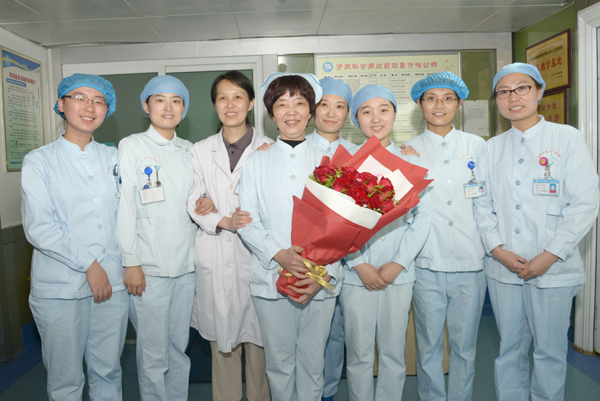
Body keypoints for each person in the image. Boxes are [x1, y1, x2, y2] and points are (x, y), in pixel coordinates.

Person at [473, 62, 599, 401]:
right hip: (504, 265)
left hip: (553, 266)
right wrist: (497, 249)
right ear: (496, 100)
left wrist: (551, 254)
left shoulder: (567, 138)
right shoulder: (490, 148)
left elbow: (586, 202)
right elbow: (481, 204)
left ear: (539, 92)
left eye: (522, 88)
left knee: (549, 351)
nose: (513, 97)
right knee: (509, 347)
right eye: (503, 92)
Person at [21, 73, 128, 401]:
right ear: (61, 104)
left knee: (108, 372)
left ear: (107, 110)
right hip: (61, 287)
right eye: (79, 98)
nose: (89, 107)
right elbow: (40, 227)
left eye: (99, 101)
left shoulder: (115, 159)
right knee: (65, 380)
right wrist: (90, 264)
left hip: (113, 282)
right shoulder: (40, 161)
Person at [238, 72, 343, 401]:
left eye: (299, 103)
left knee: (313, 363)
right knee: (279, 364)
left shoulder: (331, 162)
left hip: (319, 278)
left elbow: (345, 226)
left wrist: (323, 273)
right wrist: (279, 254)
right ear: (271, 114)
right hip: (271, 277)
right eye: (282, 104)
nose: (291, 111)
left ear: (311, 110)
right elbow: (247, 221)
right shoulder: (255, 162)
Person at [341, 85, 431, 401]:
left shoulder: (411, 161)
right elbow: (336, 223)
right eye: (366, 111)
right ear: (356, 119)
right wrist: (358, 264)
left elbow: (422, 219)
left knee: (394, 352)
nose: (376, 118)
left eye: (384, 110)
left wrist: (398, 264)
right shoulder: (346, 164)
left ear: (395, 114)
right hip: (356, 275)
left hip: (398, 274)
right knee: (359, 353)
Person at [186, 71, 271, 401]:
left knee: (260, 344)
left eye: (238, 97)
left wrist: (216, 205)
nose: (230, 104)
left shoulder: (269, 148)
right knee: (222, 345)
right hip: (217, 252)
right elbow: (193, 200)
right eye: (222, 97)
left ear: (251, 104)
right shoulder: (200, 150)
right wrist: (223, 218)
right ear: (214, 104)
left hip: (257, 258)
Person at [405, 72, 486, 401]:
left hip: (471, 260)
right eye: (431, 98)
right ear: (420, 104)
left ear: (459, 104)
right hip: (427, 261)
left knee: (465, 346)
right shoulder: (407, 151)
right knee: (428, 346)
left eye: (448, 98)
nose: (439, 104)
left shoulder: (478, 147)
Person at [117, 75, 196, 401]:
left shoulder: (189, 149)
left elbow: (197, 200)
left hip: (187, 266)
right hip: (148, 267)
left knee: (179, 348)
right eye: (159, 100)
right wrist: (131, 262)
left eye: (176, 101)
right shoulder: (133, 145)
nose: (168, 107)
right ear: (146, 106)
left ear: (184, 109)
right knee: (153, 353)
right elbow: (125, 206)